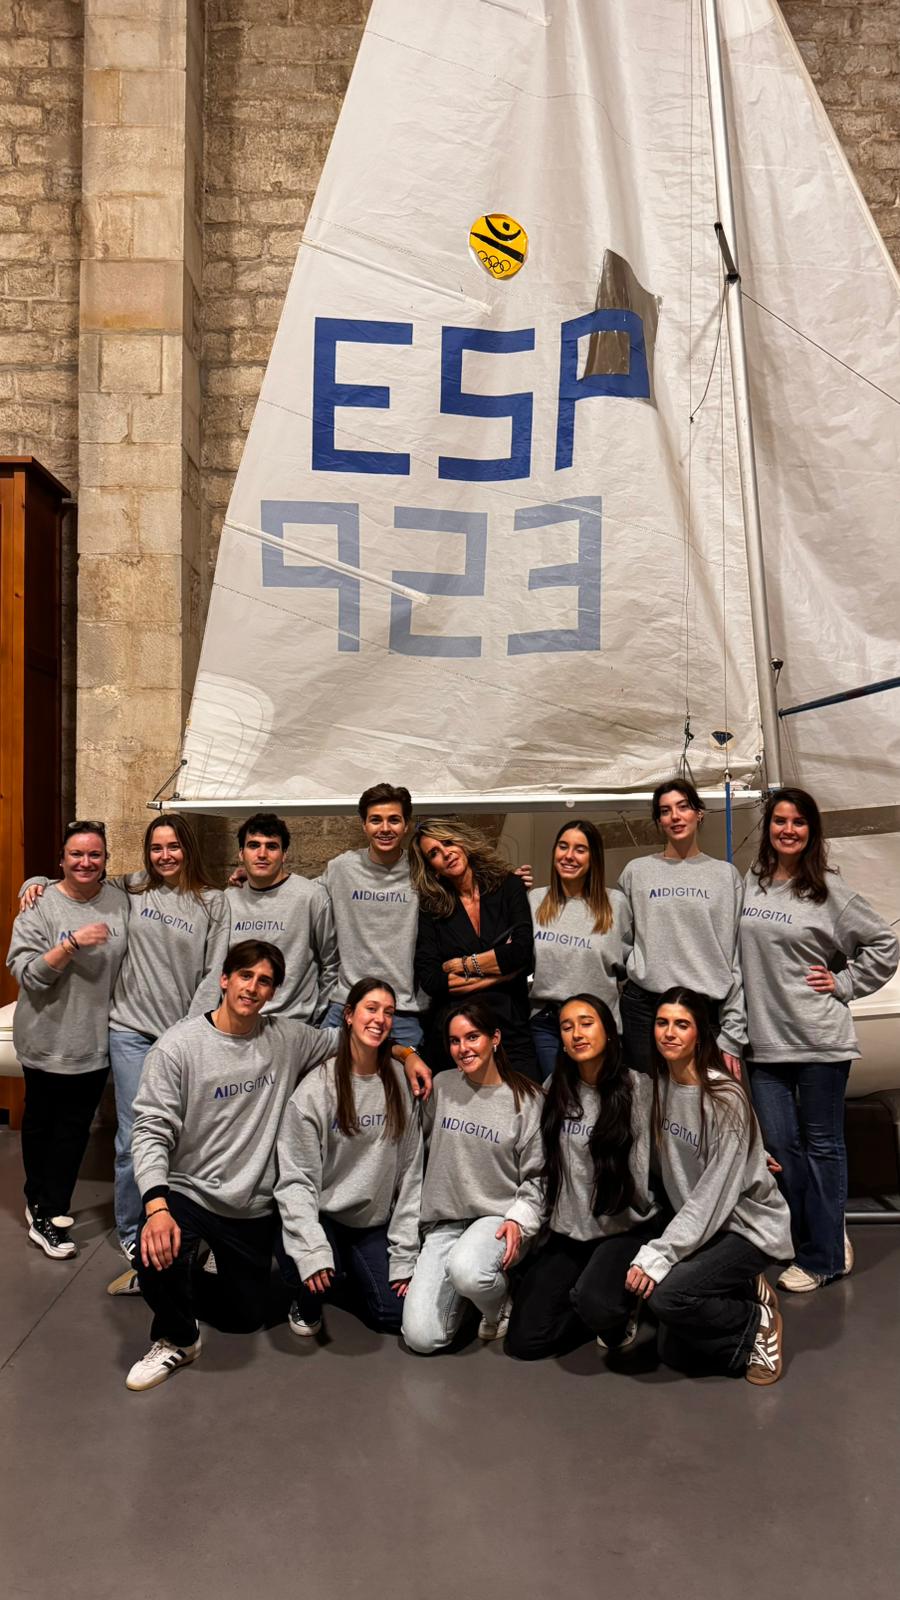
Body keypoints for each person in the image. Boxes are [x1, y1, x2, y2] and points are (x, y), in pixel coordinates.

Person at [125, 940, 428, 1392]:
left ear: (273, 992)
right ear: (224, 979)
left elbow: (357, 1036)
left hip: (250, 1205)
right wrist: (155, 1206)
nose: (252, 987)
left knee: (245, 1318)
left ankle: (182, 1273)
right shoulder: (179, 1047)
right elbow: (150, 1129)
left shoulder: (286, 1038)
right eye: (244, 976)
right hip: (189, 1190)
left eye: (264, 981)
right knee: (156, 1247)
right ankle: (178, 1336)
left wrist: (407, 1055)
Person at [20, 813, 231, 1291]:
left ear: (189, 848)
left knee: (187, 1136)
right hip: (129, 1031)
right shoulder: (132, 888)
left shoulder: (214, 902)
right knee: (134, 1136)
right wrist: (36, 883)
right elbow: (77, 882)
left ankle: (185, 1223)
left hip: (181, 1037)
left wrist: (188, 1034)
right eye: (156, 848)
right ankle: (134, 1233)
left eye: (173, 846)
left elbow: (213, 973)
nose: (165, 856)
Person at [583, 987, 793, 1385]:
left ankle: (755, 1322)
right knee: (672, 1351)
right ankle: (740, 1287)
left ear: (700, 1034)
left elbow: (714, 1194)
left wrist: (661, 1253)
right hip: (701, 1224)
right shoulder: (659, 1086)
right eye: (662, 1023)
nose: (670, 1033)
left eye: (682, 1024)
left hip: (745, 1226)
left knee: (668, 1298)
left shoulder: (724, 1095)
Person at [741, 787, 899, 1291]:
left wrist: (845, 983)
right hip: (764, 1044)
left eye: (799, 822)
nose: (788, 829)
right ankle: (824, 1234)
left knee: (822, 1147)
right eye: (780, 820)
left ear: (812, 831)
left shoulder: (828, 889)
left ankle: (823, 1258)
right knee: (781, 1147)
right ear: (768, 828)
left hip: (820, 1041)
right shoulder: (750, 884)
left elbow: (885, 942)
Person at [505, 994, 660, 1360]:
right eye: (567, 1026)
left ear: (609, 1031)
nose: (576, 1033)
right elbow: (541, 1165)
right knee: (524, 1342)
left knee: (599, 1307)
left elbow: (687, 1126)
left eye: (586, 1023)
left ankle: (615, 1304)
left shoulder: (639, 1088)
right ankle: (589, 1296)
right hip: (570, 1232)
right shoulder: (554, 1088)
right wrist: (520, 1216)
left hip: (624, 1227)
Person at [6, 822, 127, 1259]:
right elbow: (26, 975)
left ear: (106, 861)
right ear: (61, 860)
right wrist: (71, 943)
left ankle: (50, 1203)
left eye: (95, 854)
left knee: (74, 1132)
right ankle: (43, 1209)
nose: (85, 862)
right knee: (42, 1126)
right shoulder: (39, 905)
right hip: (45, 1037)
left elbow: (160, 878)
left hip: (92, 1042)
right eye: (76, 854)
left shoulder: (120, 899)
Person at [276, 978, 423, 1338]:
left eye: (388, 1012)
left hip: (371, 1223)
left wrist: (404, 1255)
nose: (380, 1019)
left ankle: (345, 1273)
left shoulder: (400, 1083)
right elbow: (296, 1180)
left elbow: (411, 1176)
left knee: (393, 1315)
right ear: (349, 1015)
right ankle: (314, 1283)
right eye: (371, 1009)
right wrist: (312, 1250)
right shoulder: (317, 1088)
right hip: (322, 1214)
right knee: (312, 1279)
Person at [401, 1001, 543, 1354]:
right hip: (444, 1221)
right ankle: (472, 1291)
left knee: (469, 1270)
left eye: (472, 1037)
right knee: (421, 1338)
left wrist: (519, 1220)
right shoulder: (442, 1086)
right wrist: (405, 1054)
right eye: (455, 1041)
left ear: (495, 1038)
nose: (463, 1048)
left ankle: (497, 1306)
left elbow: (538, 1178)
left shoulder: (527, 1099)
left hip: (497, 1219)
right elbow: (416, 1156)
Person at [618, 779, 746, 1076]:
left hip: (704, 1012)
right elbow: (618, 942)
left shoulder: (725, 876)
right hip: (644, 1010)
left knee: (704, 1100)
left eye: (683, 807)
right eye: (665, 811)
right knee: (647, 1099)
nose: (674, 816)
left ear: (699, 813)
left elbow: (736, 958)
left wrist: (734, 1032)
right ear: (659, 821)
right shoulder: (636, 872)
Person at [411, 818, 538, 1080]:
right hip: (455, 1033)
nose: (446, 853)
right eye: (434, 853)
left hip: (510, 1026)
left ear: (463, 843)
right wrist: (501, 973)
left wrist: (463, 965)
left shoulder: (508, 886)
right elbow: (432, 980)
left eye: (448, 842)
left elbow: (522, 954)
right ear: (432, 868)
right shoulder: (432, 909)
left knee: (529, 1098)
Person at [320, 784, 427, 1048]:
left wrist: (510, 883)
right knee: (318, 1068)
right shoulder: (342, 868)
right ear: (364, 826)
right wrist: (253, 879)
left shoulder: (422, 871)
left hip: (401, 1010)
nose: (385, 828)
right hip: (347, 1004)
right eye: (376, 820)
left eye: (394, 820)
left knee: (412, 1073)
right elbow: (303, 895)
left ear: (406, 825)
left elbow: (465, 888)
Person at [528, 820, 633, 1078]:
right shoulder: (534, 900)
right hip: (547, 1024)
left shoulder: (616, 904)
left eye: (580, 849)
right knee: (557, 1097)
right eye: (563, 846)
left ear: (593, 857)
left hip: (597, 1024)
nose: (569, 856)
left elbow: (631, 966)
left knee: (599, 1098)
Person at [215, 811, 339, 1023]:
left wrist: (319, 1019)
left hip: (293, 1024)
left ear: (284, 855)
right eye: (254, 845)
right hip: (237, 1024)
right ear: (241, 854)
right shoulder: (227, 900)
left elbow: (332, 964)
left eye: (271, 846)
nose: (262, 854)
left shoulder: (311, 897)